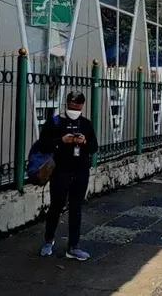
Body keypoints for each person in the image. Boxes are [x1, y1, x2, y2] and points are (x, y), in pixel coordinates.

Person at [39, 92, 98, 261]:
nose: (75, 107)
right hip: (60, 170)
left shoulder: (85, 124)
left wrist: (84, 142)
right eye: (73, 103)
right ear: (67, 103)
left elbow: (94, 147)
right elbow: (43, 145)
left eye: (79, 104)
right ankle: (48, 241)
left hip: (80, 170)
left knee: (76, 208)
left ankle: (73, 246)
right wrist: (61, 141)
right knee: (56, 206)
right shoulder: (55, 122)